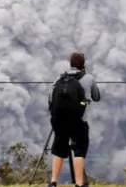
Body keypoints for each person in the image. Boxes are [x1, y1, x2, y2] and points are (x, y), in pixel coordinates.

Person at [47, 52, 101, 187]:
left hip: (60, 121)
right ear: (83, 64)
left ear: (70, 64)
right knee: (79, 152)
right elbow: (97, 97)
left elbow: (50, 98)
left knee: (58, 151)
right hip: (80, 121)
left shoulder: (59, 79)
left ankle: (53, 182)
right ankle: (78, 183)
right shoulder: (89, 78)